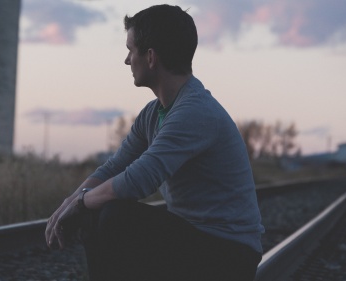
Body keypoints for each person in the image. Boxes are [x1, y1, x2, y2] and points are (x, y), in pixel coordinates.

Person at [45, 4, 264, 281]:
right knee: (96, 209)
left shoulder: (195, 112)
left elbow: (139, 179)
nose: (126, 60)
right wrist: (72, 201)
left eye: (130, 50)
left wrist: (81, 203)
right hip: (195, 241)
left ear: (150, 57)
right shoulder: (153, 113)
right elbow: (114, 168)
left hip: (229, 255)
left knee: (114, 215)